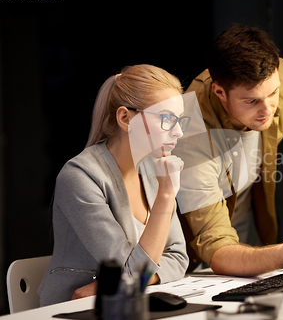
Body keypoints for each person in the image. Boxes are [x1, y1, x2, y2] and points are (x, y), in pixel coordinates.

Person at [175, 24, 283, 276]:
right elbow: (216, 245)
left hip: (247, 227)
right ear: (220, 92)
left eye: (273, 93)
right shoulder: (191, 128)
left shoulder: (282, 78)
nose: (268, 108)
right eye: (251, 101)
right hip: (193, 256)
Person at [38, 64, 189, 306]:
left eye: (180, 120)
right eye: (167, 119)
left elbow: (178, 257)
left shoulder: (152, 168)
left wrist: (117, 282)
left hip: (125, 301)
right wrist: (166, 194)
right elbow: (130, 269)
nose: (179, 132)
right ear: (125, 118)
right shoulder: (79, 175)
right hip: (74, 309)